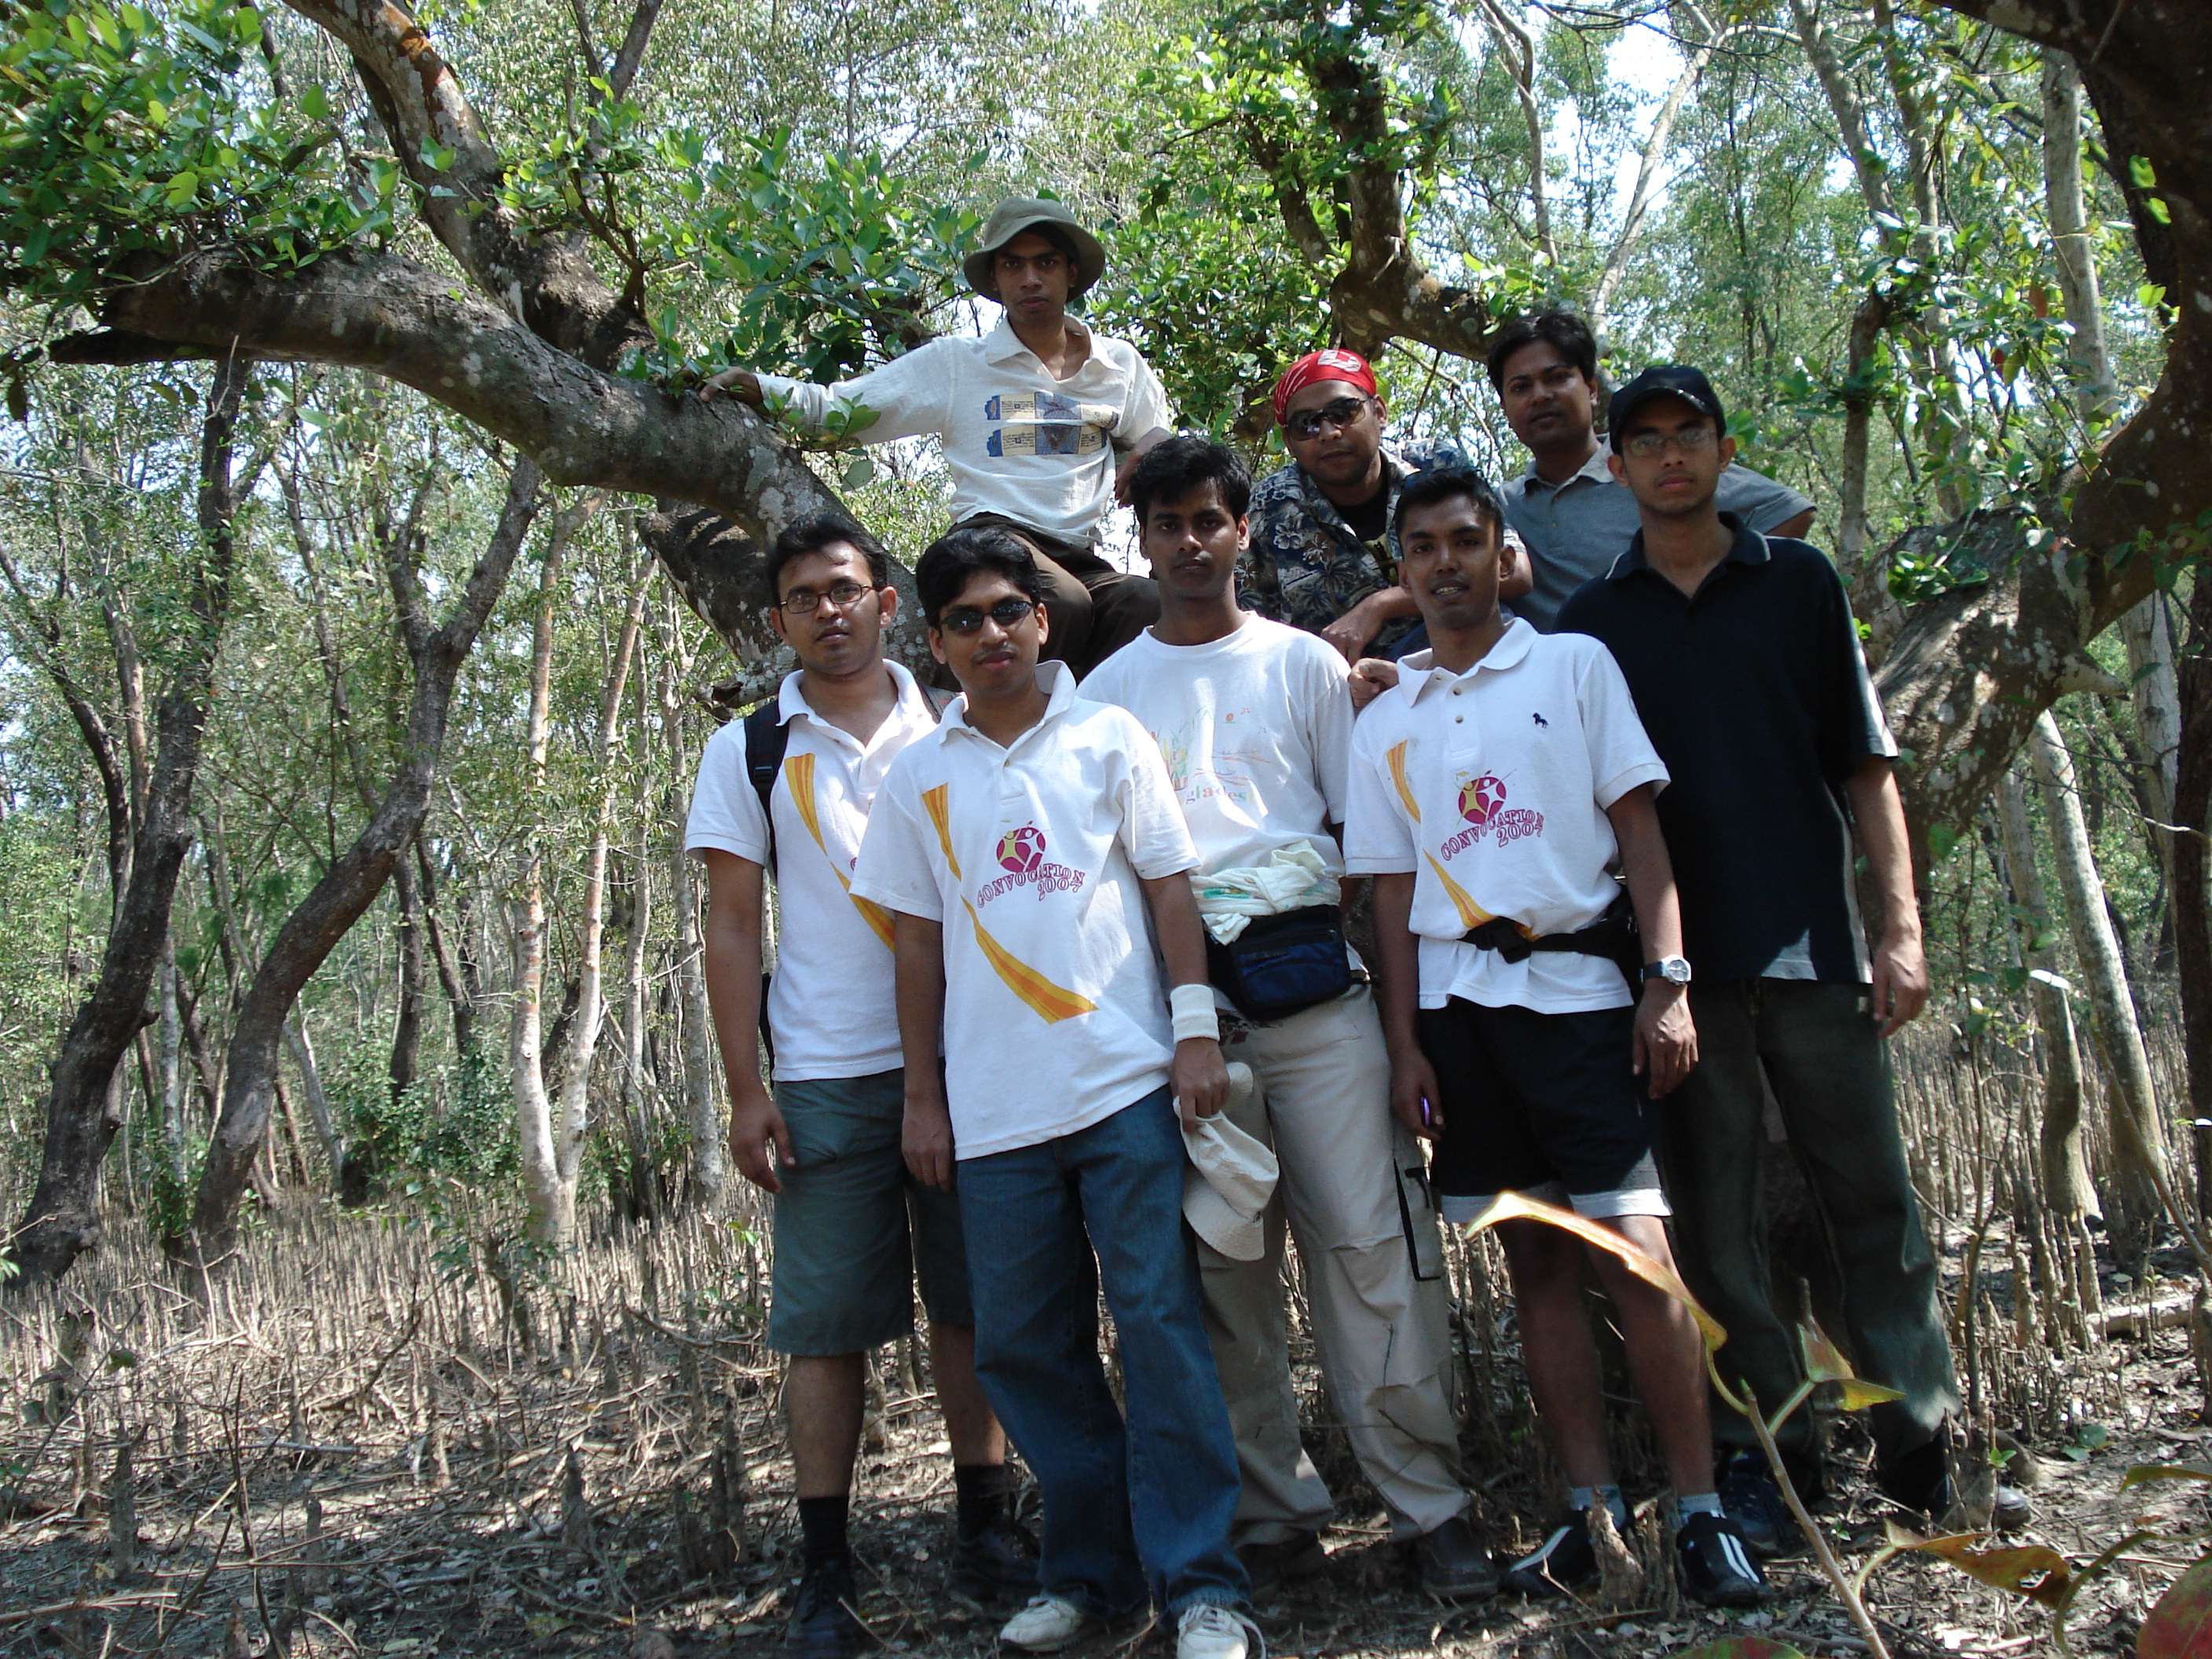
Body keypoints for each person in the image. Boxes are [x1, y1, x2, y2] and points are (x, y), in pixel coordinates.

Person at [1555, 365, 1981, 1544]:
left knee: (1872, 1202)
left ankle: (1918, 1436)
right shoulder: (1592, 624)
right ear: (1617, 466)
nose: (1669, 456)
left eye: (1687, 434)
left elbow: (1865, 768)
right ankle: (1773, 1454)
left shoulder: (1798, 583)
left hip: (1814, 952)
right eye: (1645, 440)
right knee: (1715, 1222)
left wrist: (1899, 928)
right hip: (1679, 971)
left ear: (1722, 449)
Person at [1344, 462, 1767, 1608]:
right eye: (1422, 547)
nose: (1445, 564)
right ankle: (1590, 1513)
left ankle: (1700, 1511)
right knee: (1534, 1257)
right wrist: (1404, 1046)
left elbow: (1639, 830)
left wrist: (1666, 981)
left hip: (1581, 1001)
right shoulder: (1387, 717)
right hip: (1457, 1016)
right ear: (1401, 569)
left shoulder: (1574, 665)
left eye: (1463, 541)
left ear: (1502, 553)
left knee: (1636, 1252)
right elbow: (1389, 894)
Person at [1085, 437, 1493, 1601]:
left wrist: (1369, 1000)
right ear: (1141, 541)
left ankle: (1427, 1503)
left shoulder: (1304, 666)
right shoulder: (1106, 699)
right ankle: (1269, 1518)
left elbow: (1364, 841)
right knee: (1226, 1277)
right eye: (1166, 524)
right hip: (1187, 1021)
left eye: (1209, 521)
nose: (1190, 543)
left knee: (1373, 1250)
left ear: (1242, 531)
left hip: (1318, 1000)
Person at [848, 526, 1261, 1659]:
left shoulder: (1108, 735)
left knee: (1160, 1327)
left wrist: (1192, 1033)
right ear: (935, 643)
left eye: (1006, 611)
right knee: (1024, 1348)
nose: (990, 634)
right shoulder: (920, 775)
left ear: (1040, 619)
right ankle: (1088, 1572)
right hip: (992, 1115)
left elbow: (1171, 892)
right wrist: (922, 1099)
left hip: (1124, 1087)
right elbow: (916, 946)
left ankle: (1202, 1585)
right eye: (963, 621)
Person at [686, 517, 1035, 1657]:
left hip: (970, 1059)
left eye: (845, 589)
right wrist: (746, 1089)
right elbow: (731, 924)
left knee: (973, 1302)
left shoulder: (960, 721)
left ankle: (984, 1527)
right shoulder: (749, 749)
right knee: (826, 1326)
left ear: (889, 604)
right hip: (825, 1070)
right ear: (776, 620)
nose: (827, 611)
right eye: (803, 597)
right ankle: (825, 1570)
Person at [701, 197, 1172, 676]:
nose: (1030, 279)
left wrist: (1153, 443)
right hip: (990, 541)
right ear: (995, 279)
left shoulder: (1118, 365)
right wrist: (760, 389)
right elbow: (843, 408)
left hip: (1077, 554)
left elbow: (1163, 439)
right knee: (1058, 604)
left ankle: (1084, 715)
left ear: (1071, 272)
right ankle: (995, 713)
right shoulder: (957, 364)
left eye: (1046, 263)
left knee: (1145, 603)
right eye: (1013, 265)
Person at [1488, 310, 1813, 631]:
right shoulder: (1503, 506)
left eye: (1557, 378)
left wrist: (1716, 610)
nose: (1540, 396)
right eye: (1521, 387)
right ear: (1504, 407)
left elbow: (1790, 510)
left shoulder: (1653, 467)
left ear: (1592, 389)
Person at [1240, 347, 1532, 661]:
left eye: (1343, 412)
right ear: (1289, 442)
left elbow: (1516, 573)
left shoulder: (1436, 464)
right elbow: (1249, 633)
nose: (1328, 433)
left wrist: (1380, 606)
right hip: (1349, 682)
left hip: (1469, 661)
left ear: (1379, 412)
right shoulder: (1266, 509)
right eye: (1306, 423)